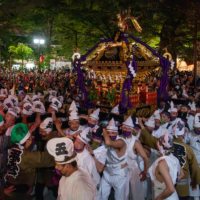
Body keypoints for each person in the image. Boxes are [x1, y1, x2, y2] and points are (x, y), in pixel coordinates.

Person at [138, 117, 200, 199]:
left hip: (165, 187)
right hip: (182, 186)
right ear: (184, 135)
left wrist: (141, 125)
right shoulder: (188, 149)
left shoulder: (164, 145)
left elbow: (150, 139)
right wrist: (195, 181)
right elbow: (195, 168)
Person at [99, 118, 128, 200]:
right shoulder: (104, 140)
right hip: (107, 173)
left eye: (113, 133)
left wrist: (104, 128)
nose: (110, 135)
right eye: (108, 133)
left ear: (117, 133)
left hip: (119, 175)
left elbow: (109, 143)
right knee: (101, 196)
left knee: (119, 198)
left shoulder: (121, 142)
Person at [149, 132, 184, 200]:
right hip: (173, 196)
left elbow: (171, 189)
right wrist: (172, 181)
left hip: (164, 196)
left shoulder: (162, 163)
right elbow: (182, 174)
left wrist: (158, 198)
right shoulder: (174, 158)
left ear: (158, 146)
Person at [121, 116, 148, 200]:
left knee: (135, 193)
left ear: (132, 130)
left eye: (128, 129)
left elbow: (145, 158)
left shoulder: (135, 142)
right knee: (123, 193)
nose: (126, 130)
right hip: (121, 169)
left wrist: (145, 172)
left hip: (133, 170)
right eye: (124, 128)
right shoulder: (119, 139)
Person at [184, 113, 200, 200]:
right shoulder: (189, 134)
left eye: (199, 129)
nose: (197, 130)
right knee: (194, 185)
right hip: (193, 162)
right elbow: (184, 144)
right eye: (196, 128)